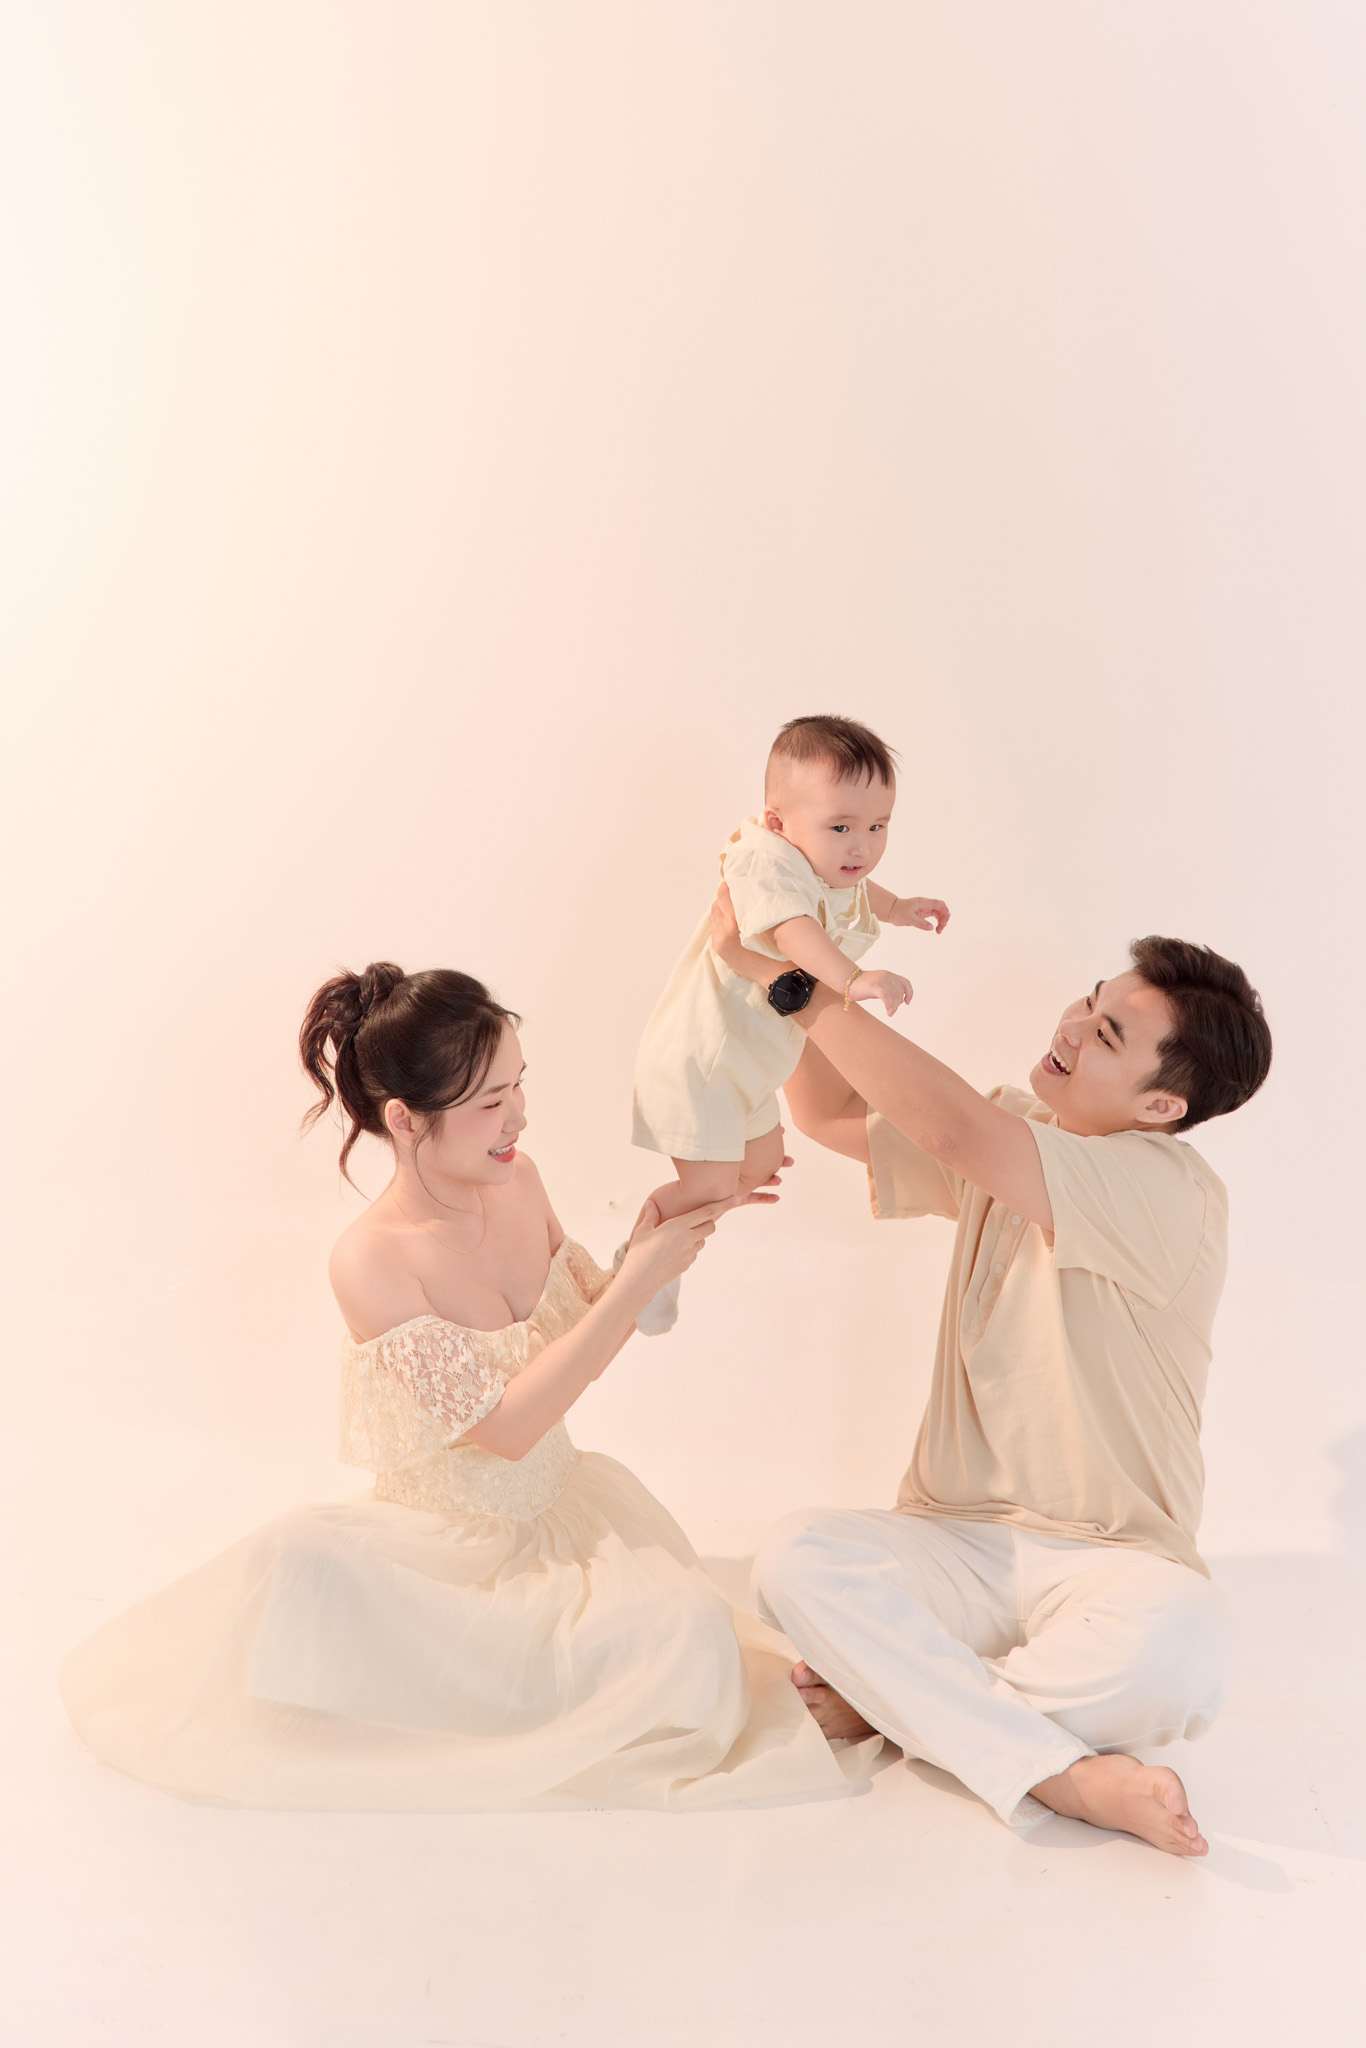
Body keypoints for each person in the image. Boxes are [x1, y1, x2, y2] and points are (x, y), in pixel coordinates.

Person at [59, 963, 877, 1811]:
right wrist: (638, 1280)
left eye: (519, 1086)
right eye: (490, 1102)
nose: (517, 1116)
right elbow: (507, 1428)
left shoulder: (520, 1179)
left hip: (565, 1514)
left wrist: (666, 1229)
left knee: (692, 1632)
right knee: (303, 1568)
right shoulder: (369, 1260)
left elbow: (581, 1340)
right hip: (443, 1554)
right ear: (405, 1119)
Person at [710, 892, 1272, 1858]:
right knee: (799, 1555)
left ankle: (900, 1704)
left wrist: (791, 982)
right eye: (1088, 1002)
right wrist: (801, 932)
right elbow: (830, 1110)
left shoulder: (1170, 1189)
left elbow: (951, 1132)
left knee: (1185, 1642)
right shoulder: (1014, 1129)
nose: (1071, 1027)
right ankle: (1057, 1770)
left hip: (1110, 1557)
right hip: (955, 1540)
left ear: (1160, 1107)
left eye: (1106, 1034)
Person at [628, 714, 948, 1330]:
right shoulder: (764, 865)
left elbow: (858, 891)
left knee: (763, 1164)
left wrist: (901, 908)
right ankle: (642, 1262)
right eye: (842, 827)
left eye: (878, 826)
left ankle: (677, 1235)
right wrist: (853, 979)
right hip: (705, 1061)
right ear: (778, 823)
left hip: (749, 1068)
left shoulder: (822, 860)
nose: (862, 847)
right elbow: (794, 931)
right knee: (707, 1188)